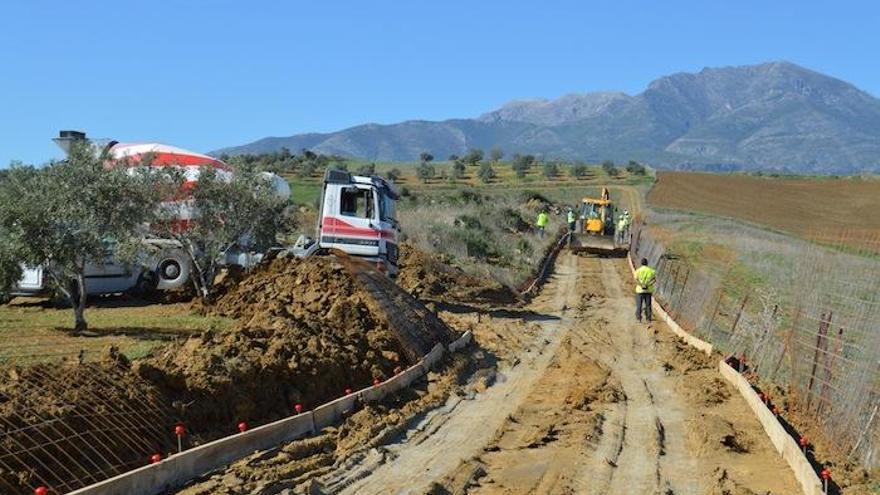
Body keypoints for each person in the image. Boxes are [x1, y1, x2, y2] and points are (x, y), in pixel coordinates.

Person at [634, 258, 656, 322]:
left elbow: (636, 280)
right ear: (647, 263)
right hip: (648, 291)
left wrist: (642, 285)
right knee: (648, 305)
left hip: (640, 291)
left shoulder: (638, 271)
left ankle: (639, 318)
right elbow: (654, 280)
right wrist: (647, 285)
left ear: (641, 263)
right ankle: (648, 318)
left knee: (639, 305)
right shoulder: (651, 271)